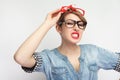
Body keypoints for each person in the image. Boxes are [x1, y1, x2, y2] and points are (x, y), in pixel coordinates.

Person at [14, 5, 120, 80]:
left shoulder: (94, 52)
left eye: (80, 24)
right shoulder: (48, 58)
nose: (76, 27)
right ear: (59, 28)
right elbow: (21, 58)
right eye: (70, 23)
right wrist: (47, 23)